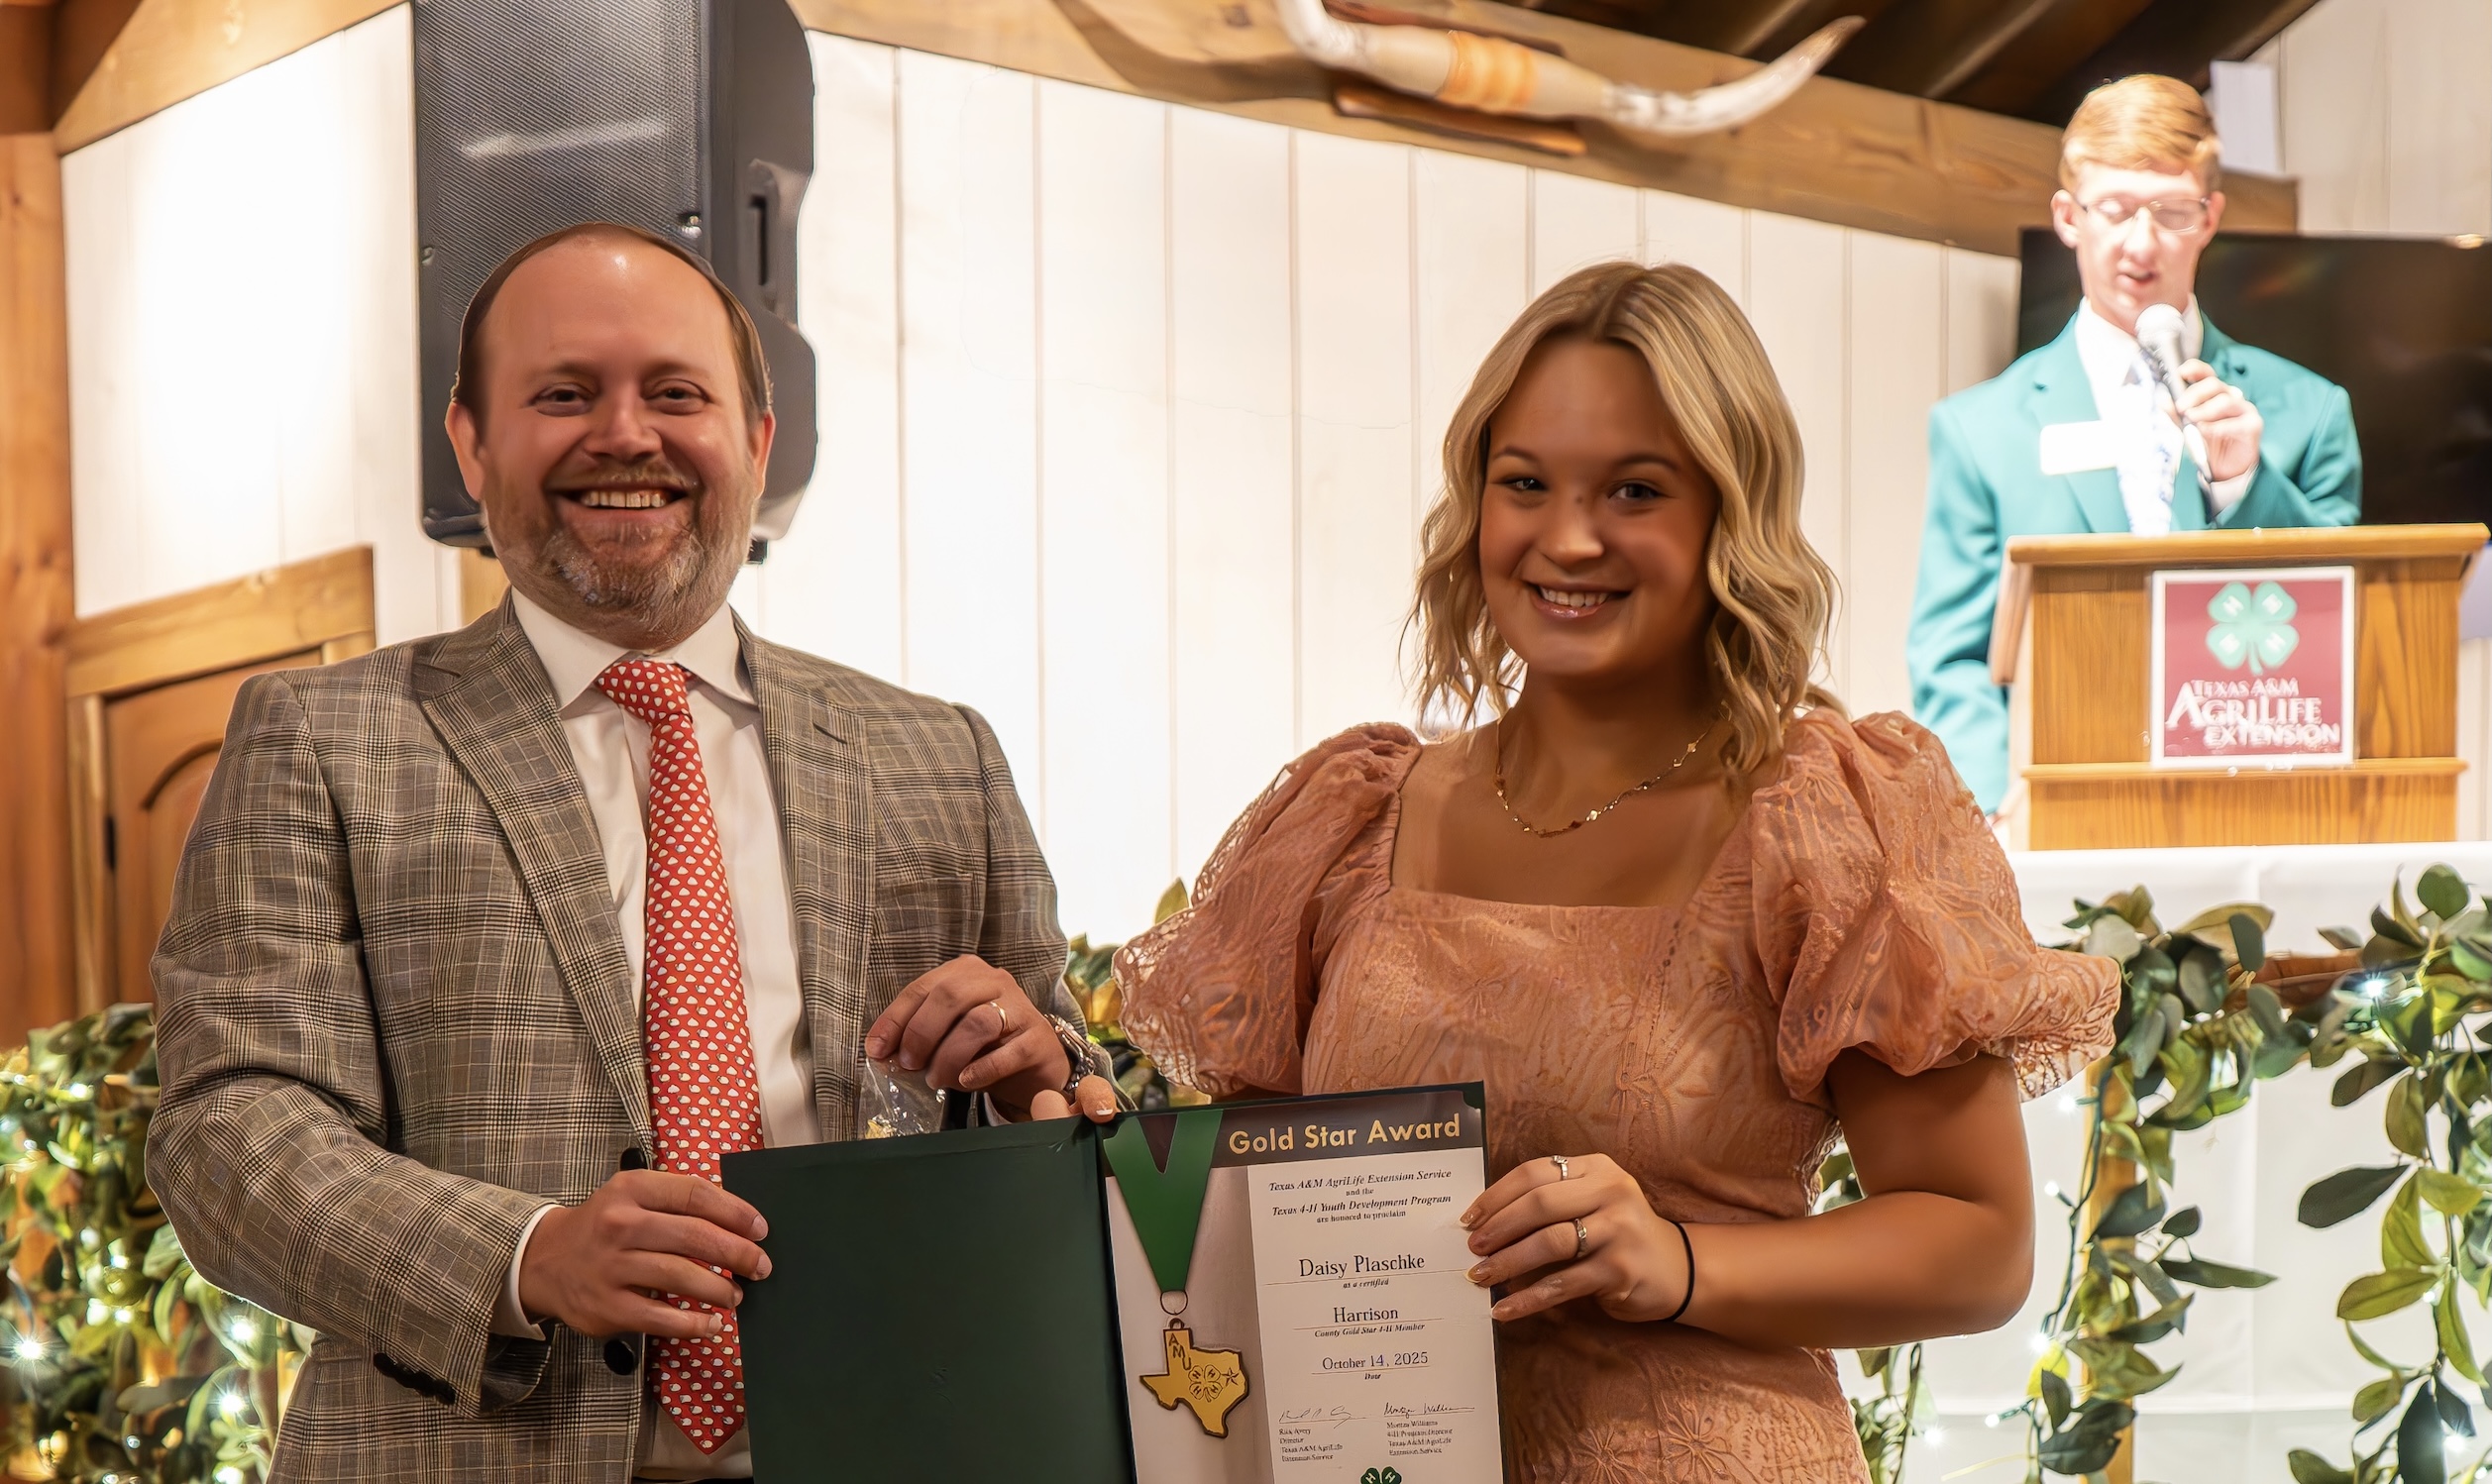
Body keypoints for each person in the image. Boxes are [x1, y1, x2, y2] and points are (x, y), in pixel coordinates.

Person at [1114, 261, 2119, 1481]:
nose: (1567, 537)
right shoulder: (1351, 819)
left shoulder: (1822, 818)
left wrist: (1683, 1262)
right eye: (1523, 483)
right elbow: (1237, 1216)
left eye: (1633, 490)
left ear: (1726, 514)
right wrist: (1046, 1106)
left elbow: (1981, 1244)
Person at [147, 221, 1117, 1482]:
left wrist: (1032, 1073)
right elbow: (228, 1133)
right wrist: (524, 1253)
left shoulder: (938, 755)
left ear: (757, 444)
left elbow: (1074, 1107)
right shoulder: (324, 739)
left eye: (676, 392)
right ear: (471, 441)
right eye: (563, 394)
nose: (624, 434)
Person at [1908, 73, 2361, 815]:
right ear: (2067, 216)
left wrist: (2246, 487)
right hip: (2051, 817)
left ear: (2210, 217)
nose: (2140, 244)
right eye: (2114, 210)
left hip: (2270, 808)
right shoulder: (1979, 429)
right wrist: (1994, 813)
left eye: (2173, 211)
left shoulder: (2308, 411)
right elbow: (1951, 660)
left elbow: (2345, 624)